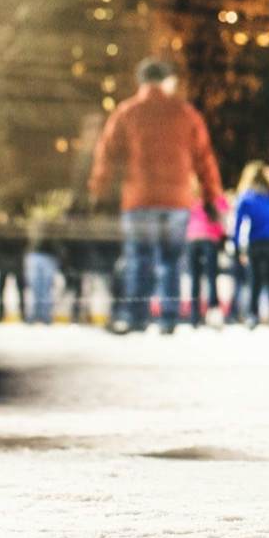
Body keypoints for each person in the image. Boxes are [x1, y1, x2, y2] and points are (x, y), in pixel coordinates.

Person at [88, 58, 225, 335]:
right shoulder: (185, 113)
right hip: (176, 201)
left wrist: (99, 192)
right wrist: (211, 197)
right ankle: (168, 318)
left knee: (139, 258)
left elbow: (107, 155)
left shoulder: (127, 112)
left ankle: (136, 316)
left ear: (141, 81)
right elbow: (205, 160)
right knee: (171, 261)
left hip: (139, 199)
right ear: (166, 81)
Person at [229, 162, 269, 329]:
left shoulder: (247, 196)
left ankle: (253, 314)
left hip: (255, 241)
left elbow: (238, 223)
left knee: (254, 278)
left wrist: (236, 245)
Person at [186, 189, 229, 327]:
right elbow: (223, 218)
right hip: (210, 238)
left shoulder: (190, 194)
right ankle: (213, 312)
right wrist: (224, 237)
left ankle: (194, 316)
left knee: (195, 278)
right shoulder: (217, 196)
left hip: (192, 238)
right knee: (211, 276)